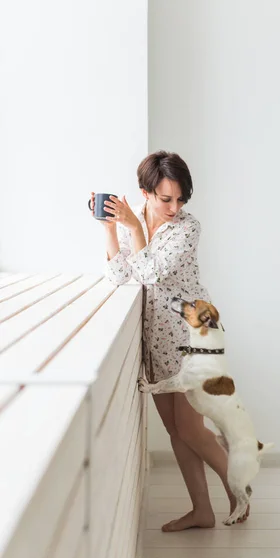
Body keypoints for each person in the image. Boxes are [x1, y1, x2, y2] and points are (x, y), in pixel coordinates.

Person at [90, 150, 247, 532]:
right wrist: (112, 228)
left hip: (193, 335)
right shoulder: (136, 224)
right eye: (166, 199)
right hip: (157, 339)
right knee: (177, 431)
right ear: (145, 192)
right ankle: (202, 511)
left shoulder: (188, 228)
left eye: (180, 198)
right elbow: (118, 277)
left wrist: (136, 232)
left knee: (191, 429)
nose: (175, 207)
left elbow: (151, 274)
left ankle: (241, 489)